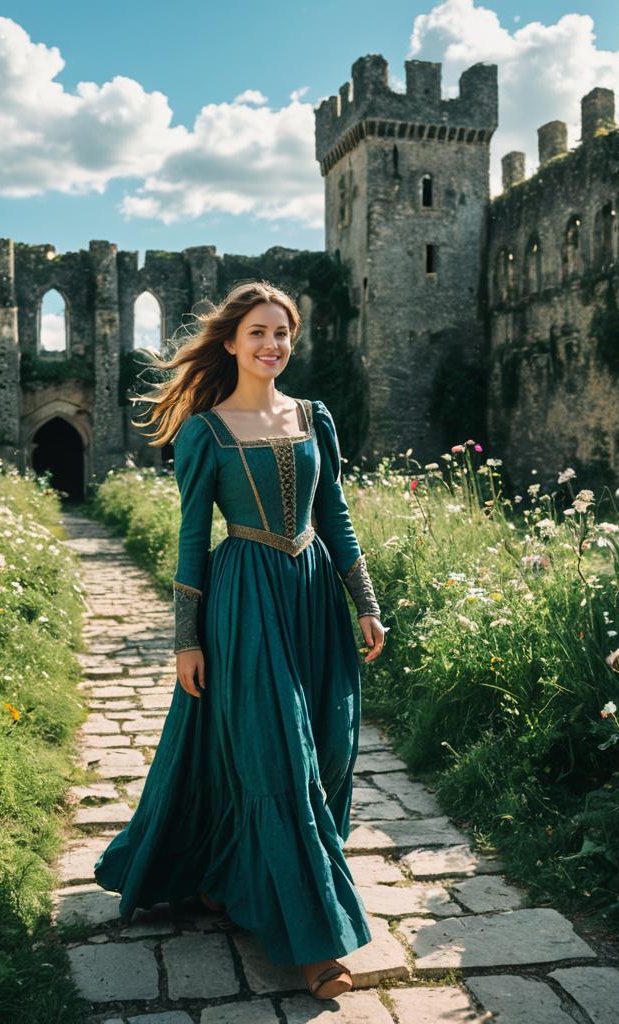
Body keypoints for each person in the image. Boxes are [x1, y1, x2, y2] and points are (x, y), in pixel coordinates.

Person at [94, 280, 387, 1001]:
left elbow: (338, 519)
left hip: (315, 597)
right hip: (245, 602)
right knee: (277, 754)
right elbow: (193, 540)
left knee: (327, 749)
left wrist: (367, 605)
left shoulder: (314, 416)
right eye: (258, 332)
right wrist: (185, 640)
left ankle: (229, 877)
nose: (272, 344)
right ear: (231, 342)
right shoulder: (205, 431)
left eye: (282, 332)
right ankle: (315, 944)